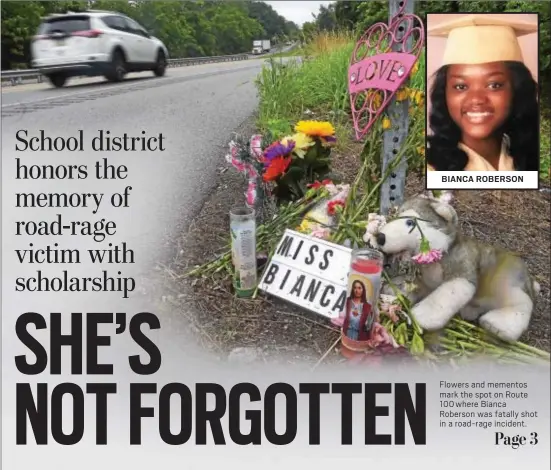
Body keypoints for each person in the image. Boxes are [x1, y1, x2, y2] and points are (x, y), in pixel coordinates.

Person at [426, 15, 539, 172]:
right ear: (444, 94)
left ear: (517, 90)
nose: (476, 99)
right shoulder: (429, 170)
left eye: (494, 85)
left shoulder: (534, 160)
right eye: (460, 86)